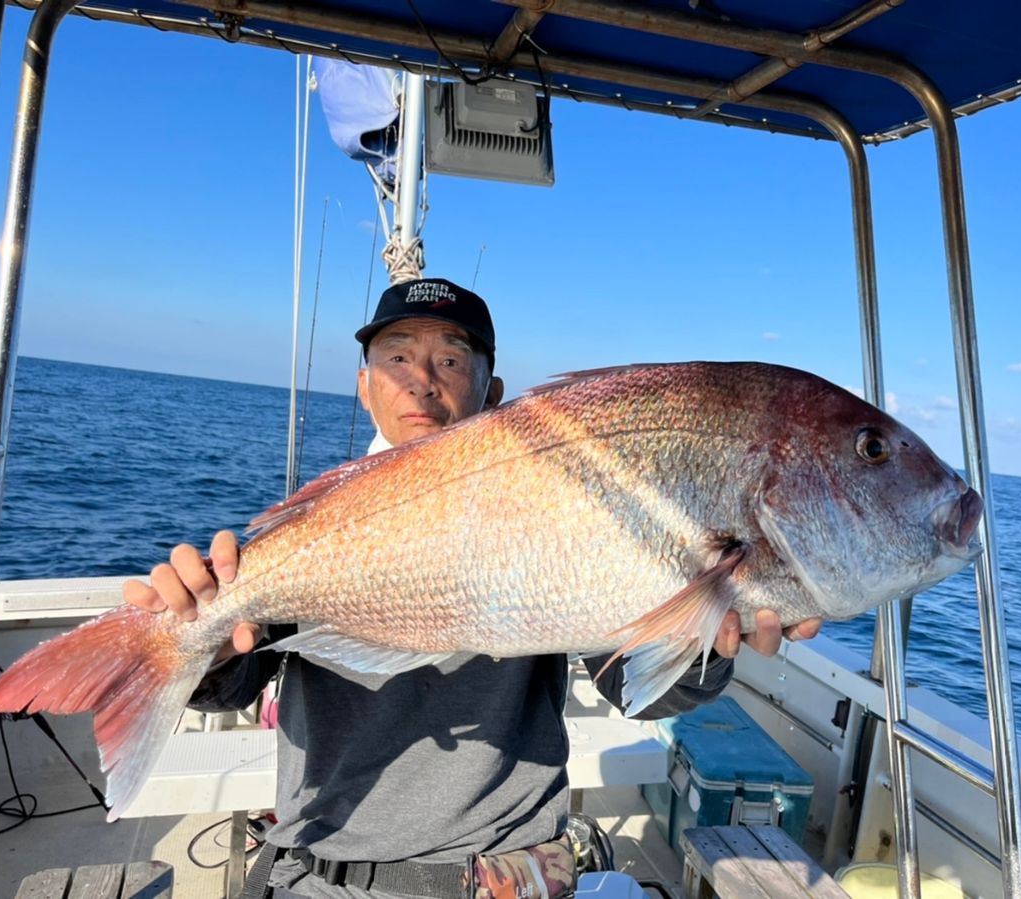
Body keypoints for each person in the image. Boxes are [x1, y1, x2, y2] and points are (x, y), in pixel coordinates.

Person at [123, 277, 822, 899]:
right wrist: (204, 650)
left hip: (511, 871)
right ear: (365, 383)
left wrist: (708, 639)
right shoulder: (319, 522)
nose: (421, 379)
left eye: (450, 358)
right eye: (396, 356)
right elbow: (239, 677)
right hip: (325, 870)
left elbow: (632, 686)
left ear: (492, 392)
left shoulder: (556, 499)